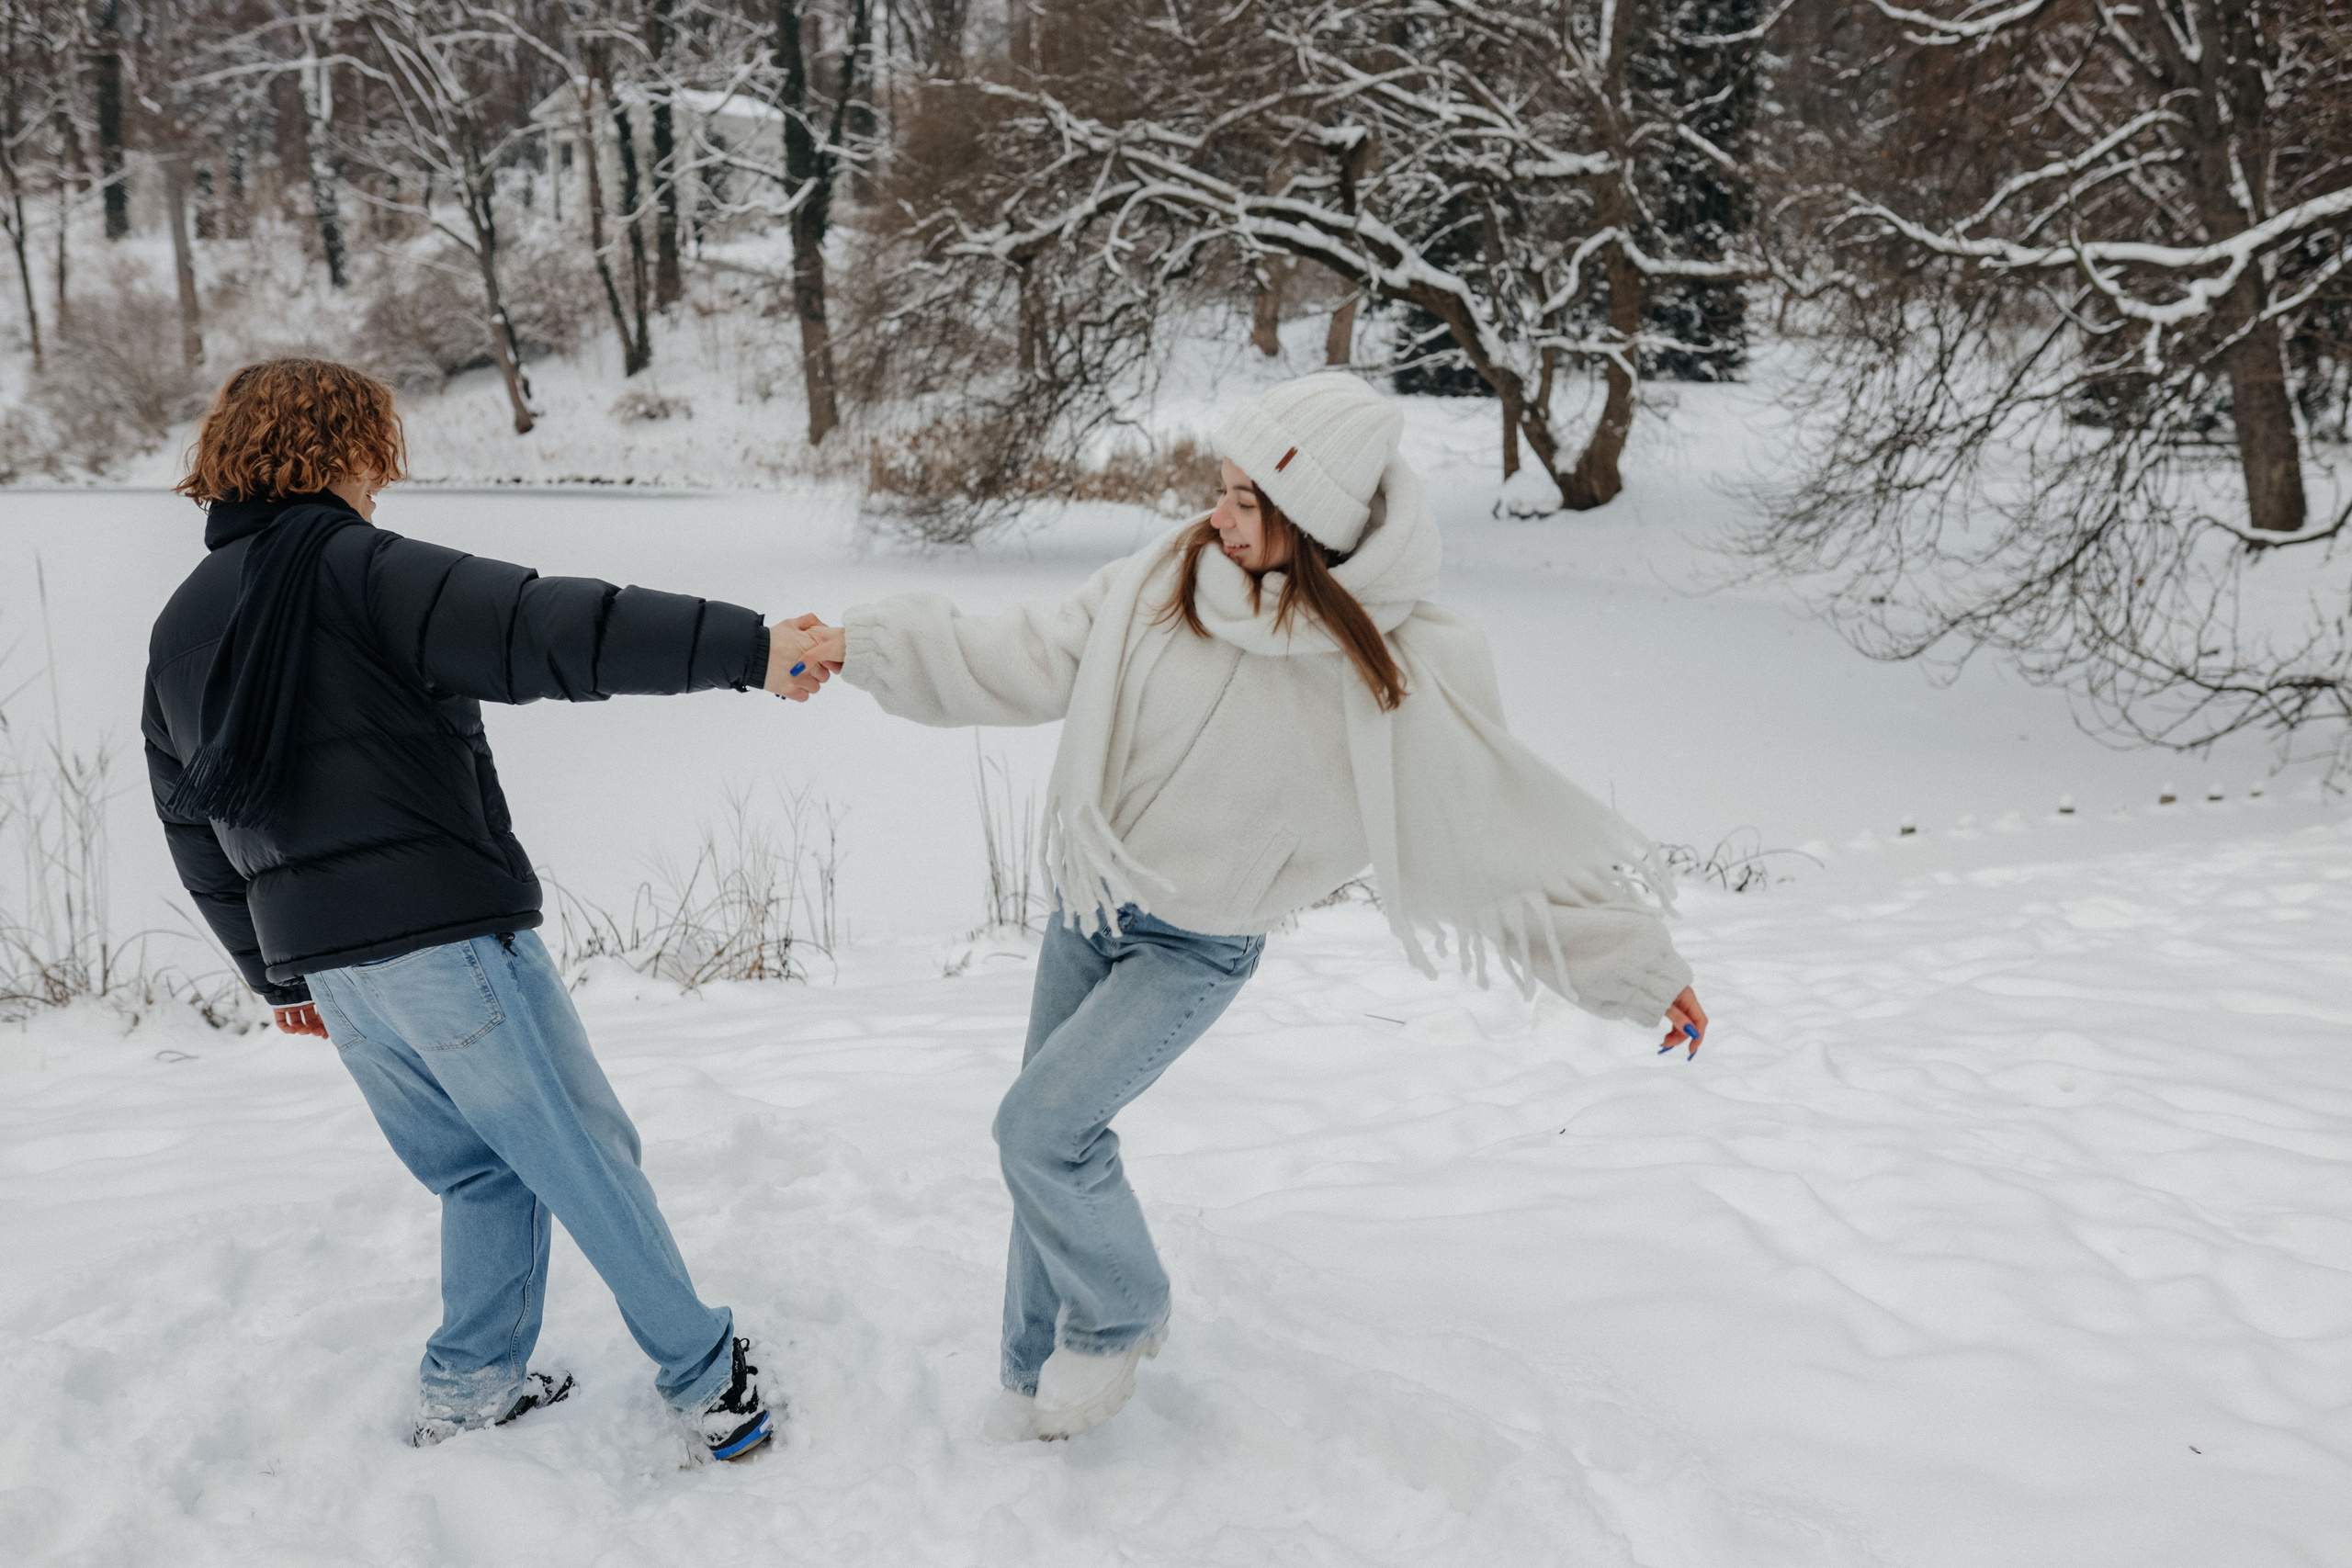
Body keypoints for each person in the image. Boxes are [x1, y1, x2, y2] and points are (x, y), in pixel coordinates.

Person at [798, 371, 1708, 1442]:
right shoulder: (1163, 580)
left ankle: (1122, 1315)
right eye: (1219, 488)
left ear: (1310, 518)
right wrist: (865, 644)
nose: (1214, 517)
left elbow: (1494, 838)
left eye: (1244, 500)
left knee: (1039, 1133)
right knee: (1044, 1152)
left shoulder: (1398, 666)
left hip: (1194, 948)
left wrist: (1639, 970)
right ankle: (1031, 1377)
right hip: (1090, 903)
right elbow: (1024, 655)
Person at [142, 358, 831, 1459]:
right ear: (350, 448)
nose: (384, 483)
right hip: (443, 942)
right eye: (377, 454)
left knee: (477, 1168)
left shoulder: (183, 623)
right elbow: (552, 626)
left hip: (334, 966)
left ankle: (470, 1388)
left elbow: (191, 825)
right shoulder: (359, 569)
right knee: (581, 1155)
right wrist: (754, 648)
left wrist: (275, 970)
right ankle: (709, 1381)